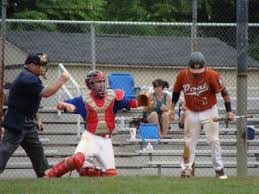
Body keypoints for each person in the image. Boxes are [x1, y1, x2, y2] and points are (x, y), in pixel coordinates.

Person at [45, 69, 138, 177]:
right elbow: (60, 104)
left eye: (103, 81)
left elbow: (132, 103)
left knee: (110, 174)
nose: (102, 84)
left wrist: (145, 100)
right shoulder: (83, 99)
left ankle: (84, 169)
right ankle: (51, 175)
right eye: (98, 82)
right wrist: (65, 105)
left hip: (106, 140)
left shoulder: (112, 97)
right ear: (90, 84)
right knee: (77, 159)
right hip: (90, 137)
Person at [0, 53, 70, 177]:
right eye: (40, 65)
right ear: (31, 65)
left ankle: (45, 174)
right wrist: (62, 80)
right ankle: (44, 173)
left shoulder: (30, 76)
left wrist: (37, 118)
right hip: (18, 120)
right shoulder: (26, 77)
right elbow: (46, 93)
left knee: (36, 150)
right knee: (6, 149)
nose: (43, 68)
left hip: (27, 120)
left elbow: (28, 101)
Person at [169, 51, 234, 179]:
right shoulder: (182, 75)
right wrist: (171, 109)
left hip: (209, 110)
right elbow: (176, 93)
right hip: (191, 111)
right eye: (194, 71)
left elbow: (224, 93)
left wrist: (229, 111)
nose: (196, 73)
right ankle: (186, 169)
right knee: (189, 142)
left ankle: (219, 169)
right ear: (189, 67)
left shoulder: (211, 74)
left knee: (213, 140)